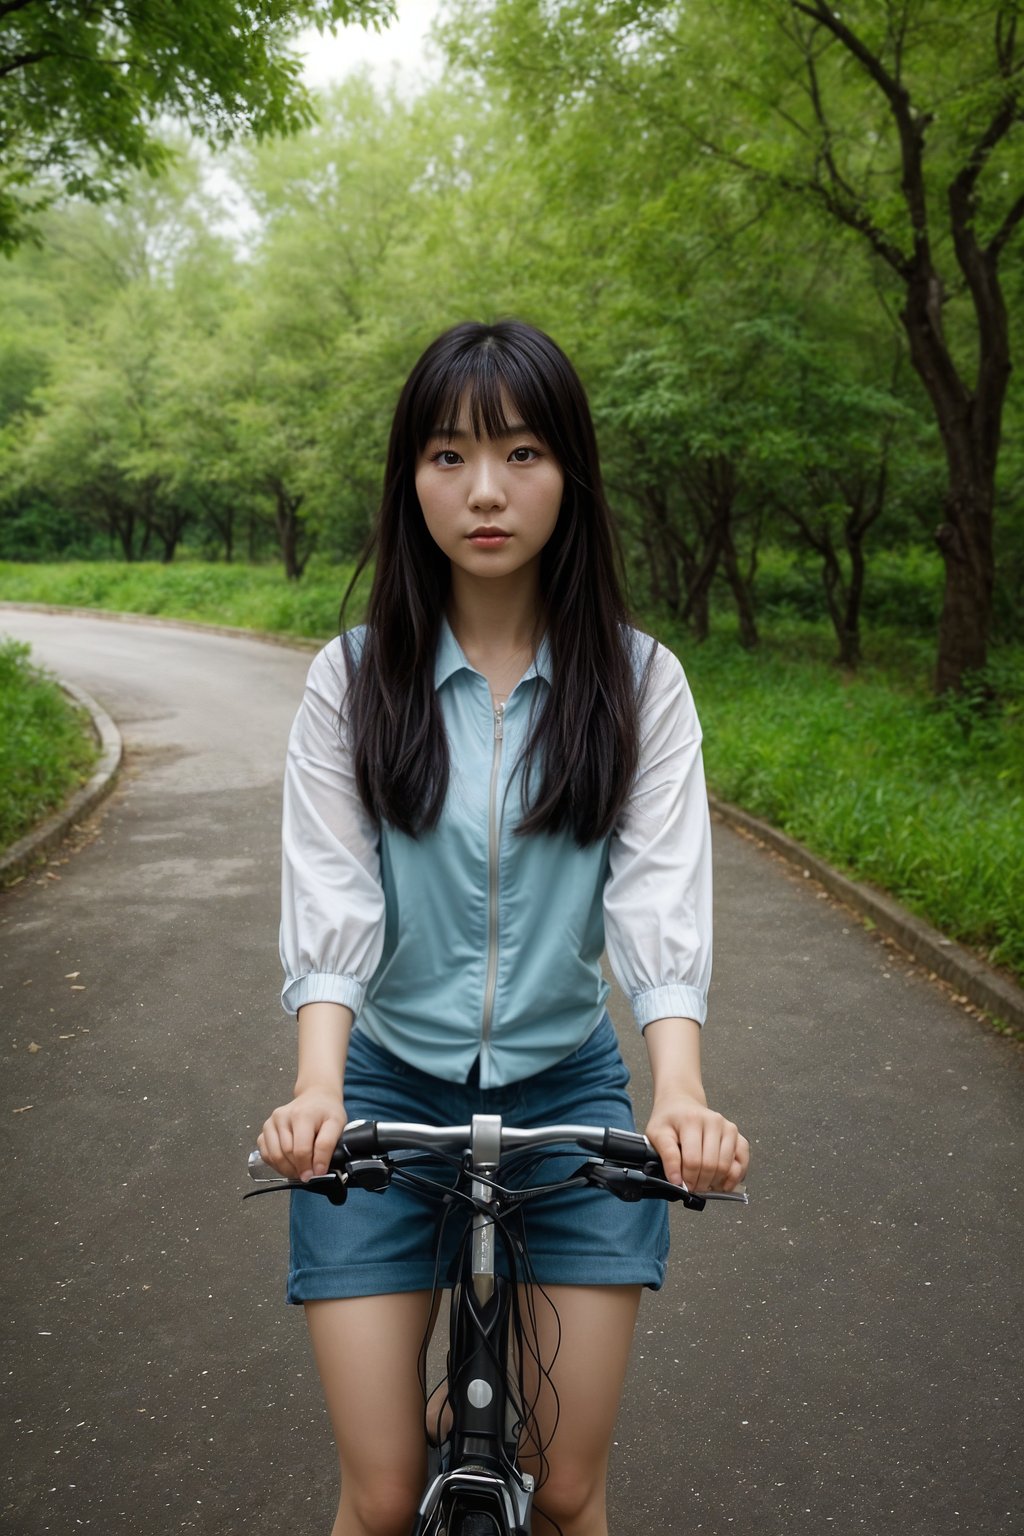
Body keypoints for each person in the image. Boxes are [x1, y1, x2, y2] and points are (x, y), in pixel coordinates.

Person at [258, 319, 750, 1536]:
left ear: (568, 476)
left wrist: (676, 1089)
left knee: (567, 1485)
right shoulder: (352, 678)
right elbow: (335, 898)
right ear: (408, 479)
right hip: (381, 1090)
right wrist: (318, 1085)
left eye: (521, 452)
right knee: (375, 1497)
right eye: (447, 455)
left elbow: (654, 893)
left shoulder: (640, 683)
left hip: (568, 1096)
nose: (484, 490)